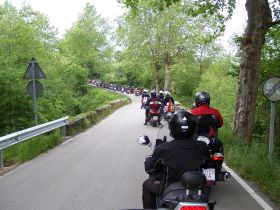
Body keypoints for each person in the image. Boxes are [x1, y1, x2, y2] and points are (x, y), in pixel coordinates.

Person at [142, 110, 210, 209]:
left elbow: (150, 169)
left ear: (172, 128)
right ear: (194, 128)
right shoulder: (202, 146)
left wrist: (148, 161)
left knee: (147, 184)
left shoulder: (163, 148)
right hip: (196, 190)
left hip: (169, 188)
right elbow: (207, 164)